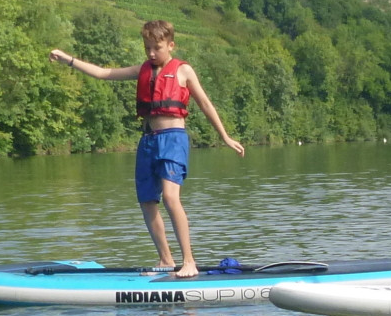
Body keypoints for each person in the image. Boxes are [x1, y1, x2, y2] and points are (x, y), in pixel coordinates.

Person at [49, 20, 245, 278]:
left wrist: (225, 136)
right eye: (148, 48)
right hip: (148, 141)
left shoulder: (184, 70)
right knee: (147, 201)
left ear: (171, 45)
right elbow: (102, 73)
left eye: (157, 48)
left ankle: (189, 261)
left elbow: (206, 104)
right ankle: (166, 259)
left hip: (173, 139)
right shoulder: (142, 70)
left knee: (171, 197)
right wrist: (68, 60)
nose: (151, 53)